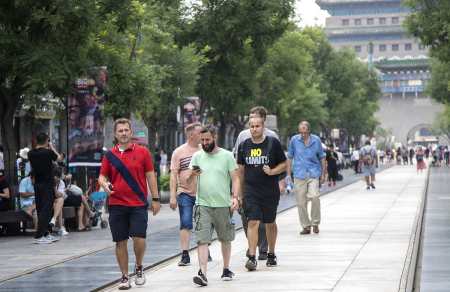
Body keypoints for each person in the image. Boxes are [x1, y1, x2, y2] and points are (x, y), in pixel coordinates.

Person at [99, 118, 160, 290]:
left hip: (138, 203)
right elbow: (102, 176)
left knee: (139, 238)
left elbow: (150, 176)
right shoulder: (109, 155)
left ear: (131, 133)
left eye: (126, 130)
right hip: (117, 203)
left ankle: (139, 267)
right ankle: (125, 276)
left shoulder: (142, 152)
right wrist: (104, 184)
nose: (124, 133)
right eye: (120, 131)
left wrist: (155, 199)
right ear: (116, 134)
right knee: (120, 241)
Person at [186, 124, 240, 286]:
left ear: (215, 138)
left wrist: (235, 197)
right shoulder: (197, 157)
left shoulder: (227, 156)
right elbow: (188, 181)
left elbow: (236, 179)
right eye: (202, 140)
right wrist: (191, 174)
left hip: (223, 204)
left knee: (225, 238)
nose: (204, 143)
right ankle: (202, 273)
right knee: (202, 239)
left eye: (207, 140)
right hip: (202, 204)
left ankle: (226, 268)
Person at [232, 106, 285, 260]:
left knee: (270, 223)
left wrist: (273, 172)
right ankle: (252, 256)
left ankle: (271, 253)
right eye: (252, 127)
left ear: (263, 126)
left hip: (269, 191)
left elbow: (283, 164)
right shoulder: (243, 145)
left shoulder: (273, 142)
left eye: (257, 126)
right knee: (252, 222)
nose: (254, 129)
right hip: (251, 191)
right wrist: (239, 195)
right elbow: (239, 172)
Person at [169, 122, 203, 266]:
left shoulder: (205, 150)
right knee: (185, 222)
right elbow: (173, 175)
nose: (202, 136)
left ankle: (204, 251)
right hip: (185, 193)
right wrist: (172, 196)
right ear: (191, 135)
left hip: (203, 193)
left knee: (204, 223)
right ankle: (185, 254)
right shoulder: (178, 152)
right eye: (200, 133)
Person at [286, 121, 326, 235]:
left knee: (314, 197)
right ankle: (305, 226)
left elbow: (322, 158)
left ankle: (315, 223)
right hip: (299, 174)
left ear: (309, 130)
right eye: (301, 132)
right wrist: (288, 174)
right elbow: (289, 157)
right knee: (301, 201)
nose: (303, 135)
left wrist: (323, 174)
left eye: (305, 132)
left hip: (313, 173)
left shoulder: (316, 140)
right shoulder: (294, 140)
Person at [28, 133, 60, 244]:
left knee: (41, 209)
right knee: (46, 210)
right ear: (46, 141)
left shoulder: (30, 153)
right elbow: (59, 158)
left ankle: (46, 233)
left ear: (36, 141)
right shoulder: (48, 152)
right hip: (47, 185)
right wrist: (51, 147)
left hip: (38, 185)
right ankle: (38, 235)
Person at [52, 167, 95, 232]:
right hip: (60, 200)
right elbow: (58, 196)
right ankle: (90, 213)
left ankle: (80, 225)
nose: (55, 178)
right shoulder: (51, 181)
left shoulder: (61, 182)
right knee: (82, 197)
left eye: (57, 176)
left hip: (64, 198)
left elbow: (60, 195)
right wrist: (54, 187)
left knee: (81, 204)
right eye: (54, 176)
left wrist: (55, 187)